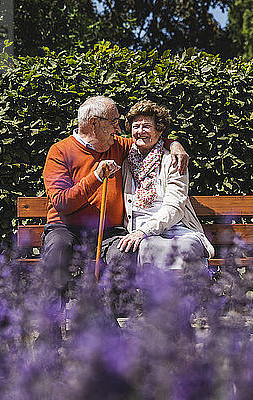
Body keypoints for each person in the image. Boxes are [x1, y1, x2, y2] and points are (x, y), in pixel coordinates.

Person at [41, 96, 189, 299]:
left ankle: (107, 325)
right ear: (94, 123)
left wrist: (175, 145)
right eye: (113, 122)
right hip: (66, 228)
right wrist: (96, 177)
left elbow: (149, 140)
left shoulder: (116, 145)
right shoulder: (60, 152)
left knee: (122, 254)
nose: (118, 129)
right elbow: (62, 203)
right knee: (57, 252)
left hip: (108, 231)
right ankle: (49, 326)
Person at [117, 100, 214, 271]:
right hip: (140, 232)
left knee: (185, 248)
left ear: (160, 129)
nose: (140, 131)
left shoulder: (174, 160)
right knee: (149, 246)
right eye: (135, 126)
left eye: (146, 126)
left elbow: (175, 207)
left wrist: (145, 231)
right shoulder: (125, 160)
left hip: (177, 229)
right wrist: (141, 233)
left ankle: (185, 293)